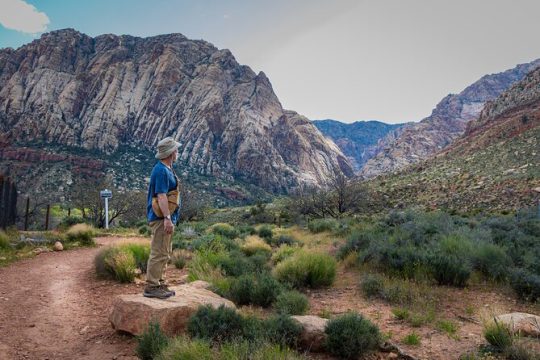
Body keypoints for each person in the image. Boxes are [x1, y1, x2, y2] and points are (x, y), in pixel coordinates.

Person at [143, 137, 181, 299]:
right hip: (161, 218)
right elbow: (161, 196)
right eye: (176, 150)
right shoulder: (160, 170)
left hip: (165, 218)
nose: (177, 152)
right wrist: (167, 218)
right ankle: (152, 287)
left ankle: (159, 282)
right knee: (159, 251)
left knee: (165, 251)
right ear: (171, 153)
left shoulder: (167, 168)